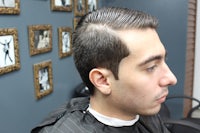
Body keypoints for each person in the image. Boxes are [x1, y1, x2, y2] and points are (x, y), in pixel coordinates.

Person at [31, 7, 177, 133]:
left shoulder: (142, 110)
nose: (171, 78)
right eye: (151, 67)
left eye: (164, 60)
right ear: (103, 80)